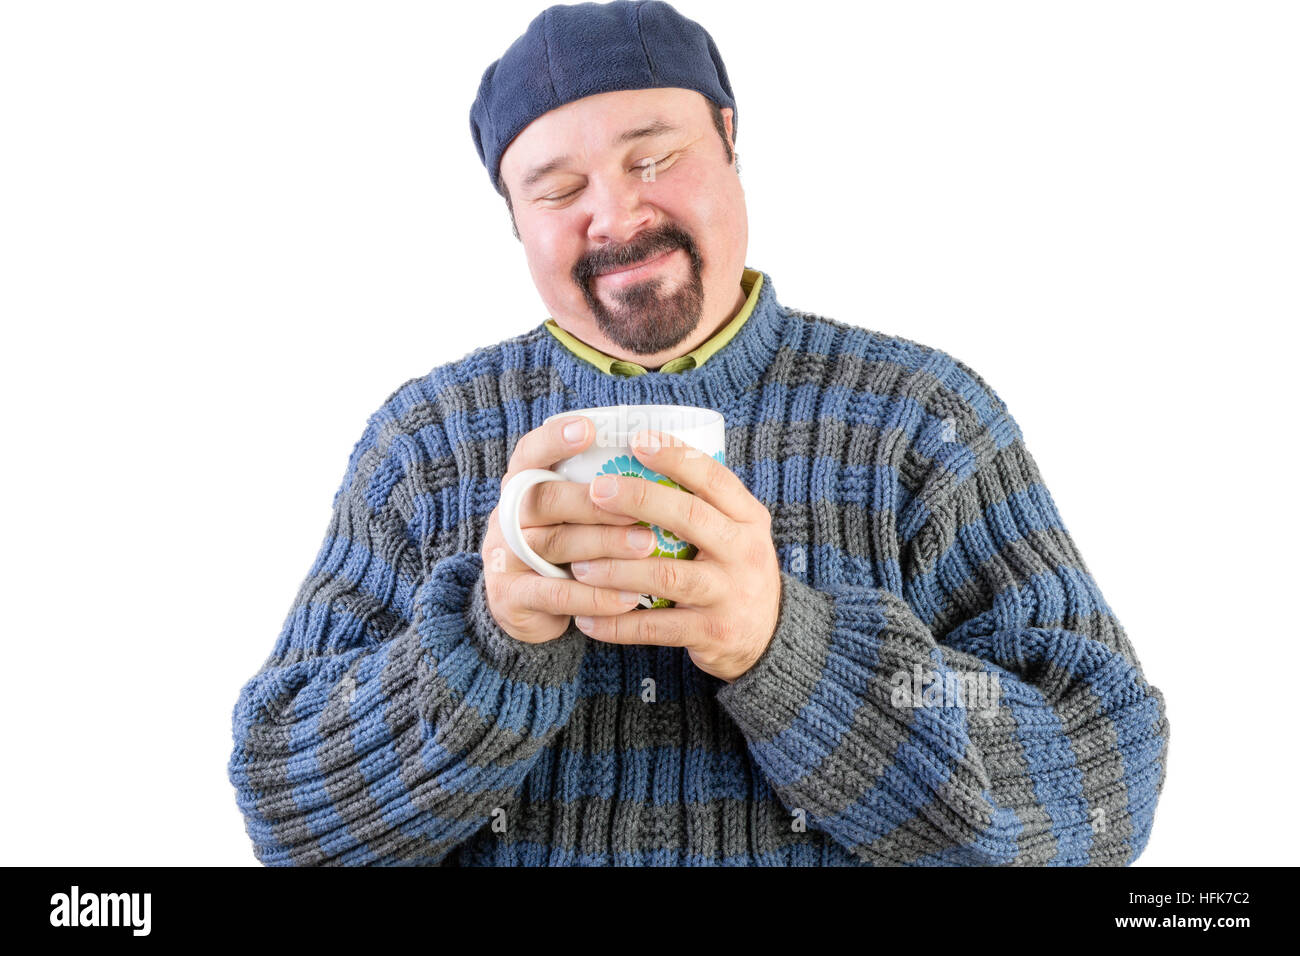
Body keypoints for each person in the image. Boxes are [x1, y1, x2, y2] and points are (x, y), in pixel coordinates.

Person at [228, 0, 1170, 866]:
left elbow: (1105, 779)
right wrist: (489, 646)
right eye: (557, 189)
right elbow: (284, 807)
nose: (618, 215)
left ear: (729, 138)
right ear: (515, 222)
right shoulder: (424, 444)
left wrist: (791, 651)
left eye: (652, 157)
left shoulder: (922, 420)